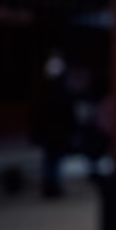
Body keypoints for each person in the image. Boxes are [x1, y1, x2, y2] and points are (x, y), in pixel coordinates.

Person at [33, 53, 74, 198]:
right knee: (54, 159)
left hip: (50, 132)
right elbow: (68, 113)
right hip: (57, 132)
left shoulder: (43, 91)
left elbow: (36, 114)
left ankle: (49, 185)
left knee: (50, 159)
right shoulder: (62, 91)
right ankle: (53, 185)